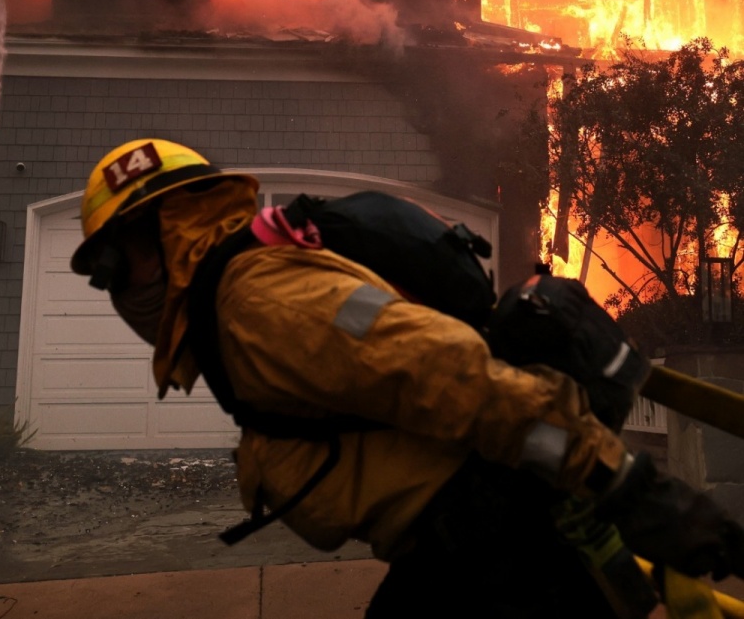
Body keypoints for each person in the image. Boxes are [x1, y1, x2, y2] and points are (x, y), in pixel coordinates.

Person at [71, 138, 744, 618]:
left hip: (492, 555)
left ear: (164, 232)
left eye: (112, 262)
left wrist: (625, 486)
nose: (111, 286)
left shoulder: (255, 304)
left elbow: (453, 373)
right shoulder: (237, 301)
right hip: (465, 551)